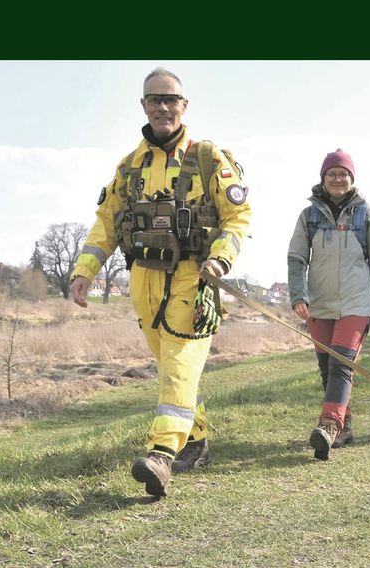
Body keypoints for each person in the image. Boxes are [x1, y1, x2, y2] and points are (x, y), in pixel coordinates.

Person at [69, 67, 251, 498]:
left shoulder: (208, 158)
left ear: (184, 106)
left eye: (171, 100)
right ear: (144, 106)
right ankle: (197, 440)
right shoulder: (129, 166)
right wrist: (84, 271)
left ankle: (162, 454)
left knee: (181, 363)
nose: (163, 107)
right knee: (172, 368)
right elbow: (106, 224)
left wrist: (221, 259)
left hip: (193, 278)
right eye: (155, 99)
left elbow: (237, 217)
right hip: (143, 283)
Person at [287, 149, 370, 460]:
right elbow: (296, 259)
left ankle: (329, 426)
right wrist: (298, 296)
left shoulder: (366, 215)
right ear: (323, 178)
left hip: (356, 303)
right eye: (331, 173)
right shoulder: (309, 216)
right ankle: (344, 426)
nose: (337, 178)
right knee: (326, 368)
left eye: (343, 174)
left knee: (341, 365)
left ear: (352, 179)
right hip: (319, 305)